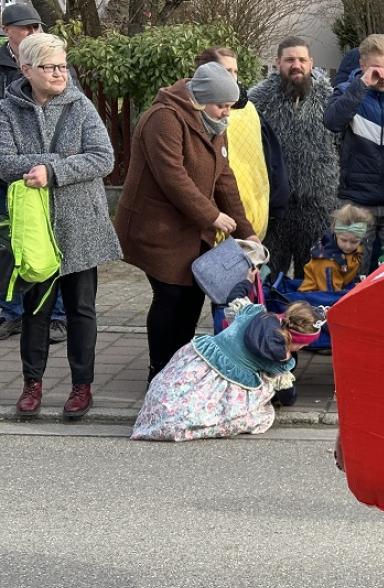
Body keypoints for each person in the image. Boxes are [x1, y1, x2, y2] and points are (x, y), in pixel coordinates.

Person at [0, 33, 122, 419]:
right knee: (35, 309)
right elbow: (4, 163)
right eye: (50, 67)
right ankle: (32, 386)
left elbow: (103, 159)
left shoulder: (81, 107)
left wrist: (52, 169)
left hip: (80, 224)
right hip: (35, 227)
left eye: (62, 66)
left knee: (81, 310)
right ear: (26, 70)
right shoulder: (7, 110)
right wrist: (64, 159)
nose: (59, 73)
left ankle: (81, 387)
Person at [115, 62, 257, 382]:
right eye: (222, 106)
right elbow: (172, 178)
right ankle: (160, 371)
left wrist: (248, 233)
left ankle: (179, 366)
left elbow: (225, 179)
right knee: (170, 296)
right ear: (201, 99)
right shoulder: (162, 118)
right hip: (156, 229)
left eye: (230, 107)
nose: (226, 113)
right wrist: (212, 216)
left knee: (192, 295)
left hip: (191, 229)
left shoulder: (215, 126)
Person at [131, 300, 323, 441]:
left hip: (198, 362)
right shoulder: (279, 358)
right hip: (219, 379)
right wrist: (289, 397)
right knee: (261, 407)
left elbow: (235, 298)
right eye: (303, 346)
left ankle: (154, 415)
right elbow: (288, 394)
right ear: (297, 341)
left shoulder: (254, 313)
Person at [324, 34, 384, 267]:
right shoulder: (348, 91)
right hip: (355, 201)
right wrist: (362, 86)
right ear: (362, 65)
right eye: (377, 68)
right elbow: (332, 122)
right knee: (348, 270)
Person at [0, 2, 65, 342]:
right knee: (10, 244)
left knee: (52, 244)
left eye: (34, 26)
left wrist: (49, 164)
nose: (30, 32)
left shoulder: (53, 61)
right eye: (23, 27)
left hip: (48, 179)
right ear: (6, 30)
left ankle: (56, 316)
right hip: (7, 179)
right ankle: (11, 312)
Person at [249, 37, 339, 277]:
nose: (296, 65)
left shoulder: (330, 98)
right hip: (275, 207)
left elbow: (343, 146)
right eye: (289, 60)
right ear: (278, 62)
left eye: (301, 59)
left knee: (312, 277)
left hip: (317, 204)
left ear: (311, 63)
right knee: (270, 275)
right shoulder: (257, 101)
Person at [195, 47, 270, 240]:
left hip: (244, 207)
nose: (233, 77)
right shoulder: (196, 115)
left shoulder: (249, 109)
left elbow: (261, 158)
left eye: (235, 71)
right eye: (227, 71)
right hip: (207, 212)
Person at [300, 203, 373, 293]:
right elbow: (331, 294)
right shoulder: (327, 261)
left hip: (343, 286)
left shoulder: (359, 247)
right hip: (317, 296)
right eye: (343, 240)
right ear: (335, 233)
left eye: (354, 242)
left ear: (361, 238)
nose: (348, 246)